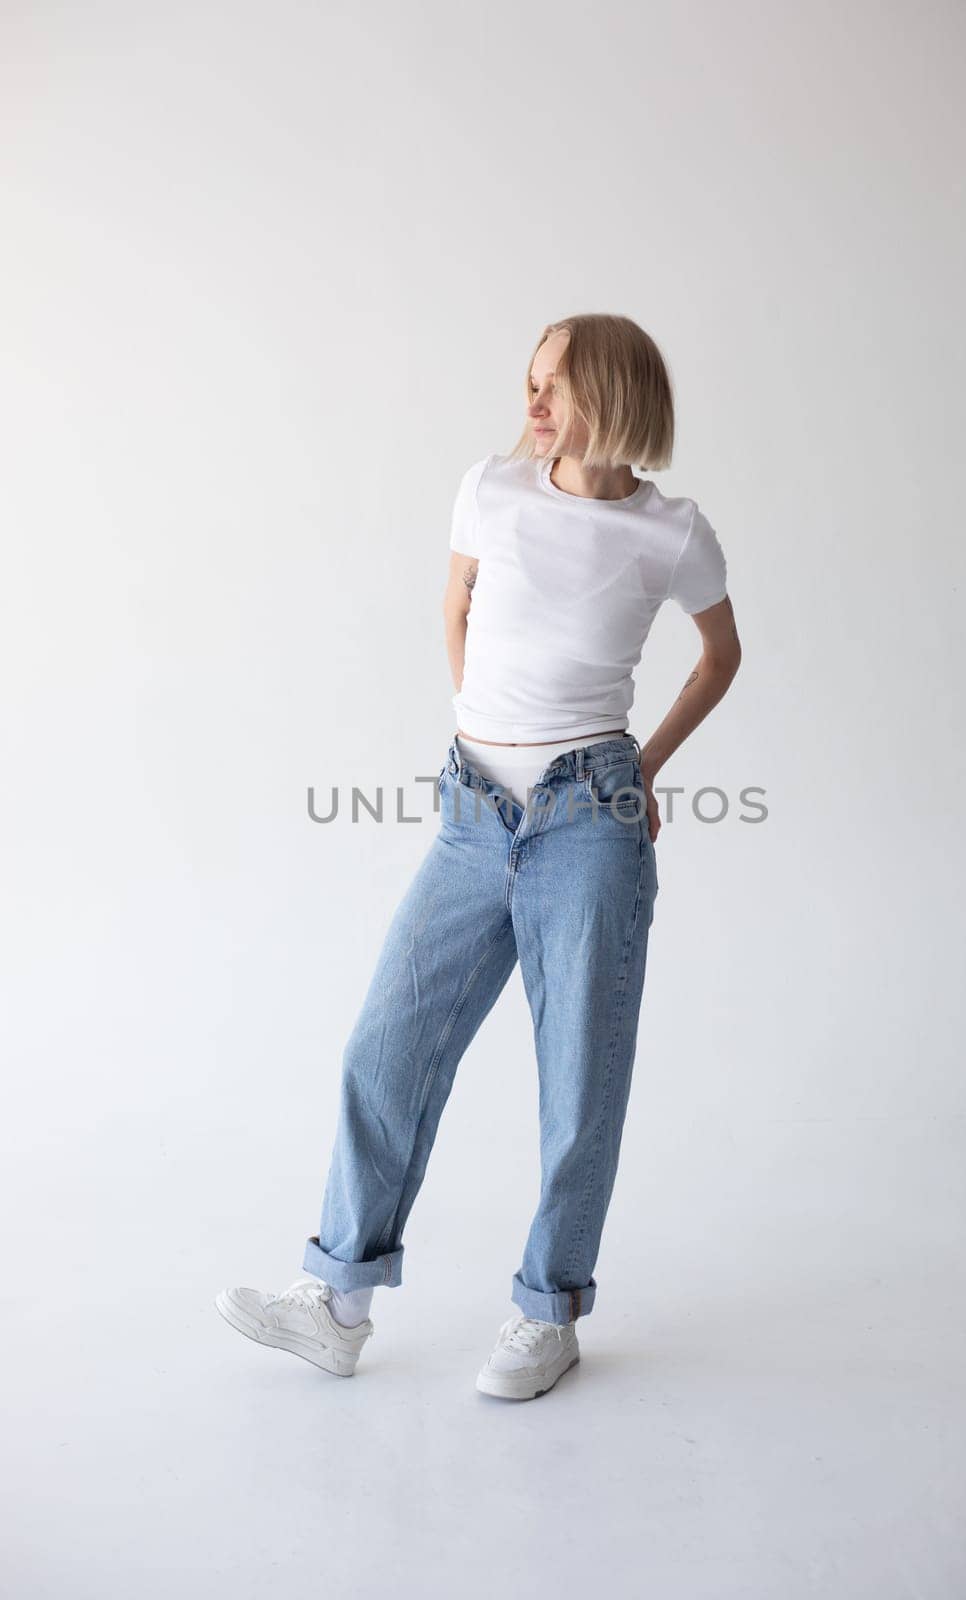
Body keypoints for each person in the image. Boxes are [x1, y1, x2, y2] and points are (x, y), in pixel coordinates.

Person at [216, 313, 743, 1399]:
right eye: (529, 382)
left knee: (576, 1082)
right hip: (471, 810)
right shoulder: (491, 489)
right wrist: (477, 720)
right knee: (387, 1045)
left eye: (554, 383)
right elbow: (455, 601)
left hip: (588, 818)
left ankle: (546, 1312)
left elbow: (721, 651)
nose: (532, 403)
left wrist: (641, 768)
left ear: (611, 390)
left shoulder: (672, 531)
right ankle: (336, 1299)